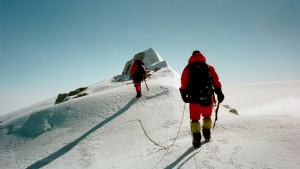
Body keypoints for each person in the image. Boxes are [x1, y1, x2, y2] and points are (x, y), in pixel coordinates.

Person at [180, 50, 224, 148]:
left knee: (195, 119)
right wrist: (219, 93)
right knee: (207, 117)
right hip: (207, 98)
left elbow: (183, 82)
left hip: (194, 99)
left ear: (192, 56)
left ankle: (196, 139)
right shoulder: (209, 68)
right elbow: (216, 81)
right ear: (202, 56)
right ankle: (207, 135)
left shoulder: (188, 68)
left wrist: (183, 94)